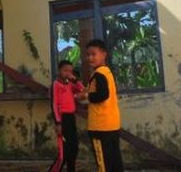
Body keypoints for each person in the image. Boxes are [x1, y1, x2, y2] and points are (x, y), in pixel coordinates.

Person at [77, 39, 124, 172]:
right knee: (114, 161)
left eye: (93, 54)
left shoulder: (99, 74)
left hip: (100, 126)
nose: (90, 57)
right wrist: (85, 95)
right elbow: (97, 93)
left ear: (104, 54)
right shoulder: (106, 72)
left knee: (103, 164)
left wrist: (84, 96)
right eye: (88, 54)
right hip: (112, 124)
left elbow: (102, 95)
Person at [49, 60, 84, 172]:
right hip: (62, 119)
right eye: (65, 71)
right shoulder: (56, 84)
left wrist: (75, 79)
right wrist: (58, 123)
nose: (68, 73)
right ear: (59, 71)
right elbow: (54, 104)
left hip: (71, 118)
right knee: (64, 153)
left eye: (70, 71)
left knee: (73, 149)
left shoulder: (70, 84)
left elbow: (82, 90)